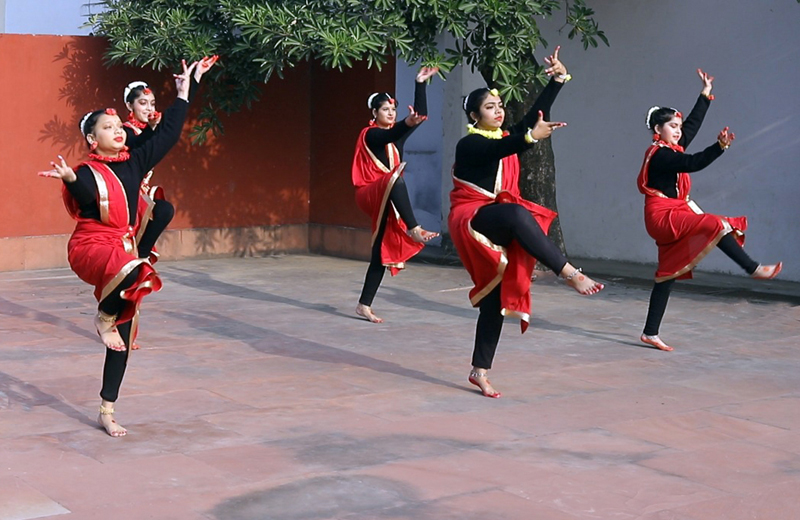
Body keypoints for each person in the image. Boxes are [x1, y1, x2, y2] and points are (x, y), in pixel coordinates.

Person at [38, 59, 200, 437]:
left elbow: (170, 134)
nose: (118, 131)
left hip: (122, 249)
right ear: (93, 140)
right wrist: (69, 178)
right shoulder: (88, 171)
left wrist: (183, 93)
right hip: (92, 247)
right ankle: (101, 317)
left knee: (123, 335)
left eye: (118, 127)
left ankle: (107, 410)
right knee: (138, 270)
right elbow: (84, 193)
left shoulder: (136, 159)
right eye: (108, 128)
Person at [449, 47, 604, 398]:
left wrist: (558, 80)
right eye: (490, 107)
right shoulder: (469, 144)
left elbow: (534, 117)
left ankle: (479, 370)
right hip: (473, 216)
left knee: (494, 299)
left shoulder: (505, 137)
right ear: (474, 115)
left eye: (499, 105)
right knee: (520, 213)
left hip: (496, 214)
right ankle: (569, 272)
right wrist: (531, 137)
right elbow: (500, 150)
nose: (498, 111)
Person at [638, 68, 782, 352]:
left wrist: (705, 94)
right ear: (658, 130)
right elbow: (693, 163)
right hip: (663, 216)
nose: (678, 131)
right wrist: (719, 147)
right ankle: (752, 268)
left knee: (667, 273)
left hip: (674, 211)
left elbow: (691, 126)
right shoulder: (662, 155)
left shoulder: (672, 147)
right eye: (672, 127)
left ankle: (650, 333)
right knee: (715, 224)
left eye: (677, 127)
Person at [121, 55, 217, 350]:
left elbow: (172, 123)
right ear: (130, 107)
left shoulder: (148, 128)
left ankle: (141, 256)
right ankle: (119, 324)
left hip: (142, 201)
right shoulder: (124, 133)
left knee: (139, 265)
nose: (148, 109)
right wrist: (152, 128)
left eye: (151, 104)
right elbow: (151, 141)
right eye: (142, 104)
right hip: (126, 202)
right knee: (128, 267)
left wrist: (194, 80)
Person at [351, 66, 440, 323]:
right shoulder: (371, 135)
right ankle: (414, 227)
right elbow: (391, 132)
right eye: (385, 110)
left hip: (387, 194)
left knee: (381, 252)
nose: (390, 113)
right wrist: (405, 123)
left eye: (393, 110)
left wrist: (420, 83)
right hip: (369, 192)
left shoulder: (394, 136)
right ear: (374, 113)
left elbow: (418, 116)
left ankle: (364, 304)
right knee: (397, 179)